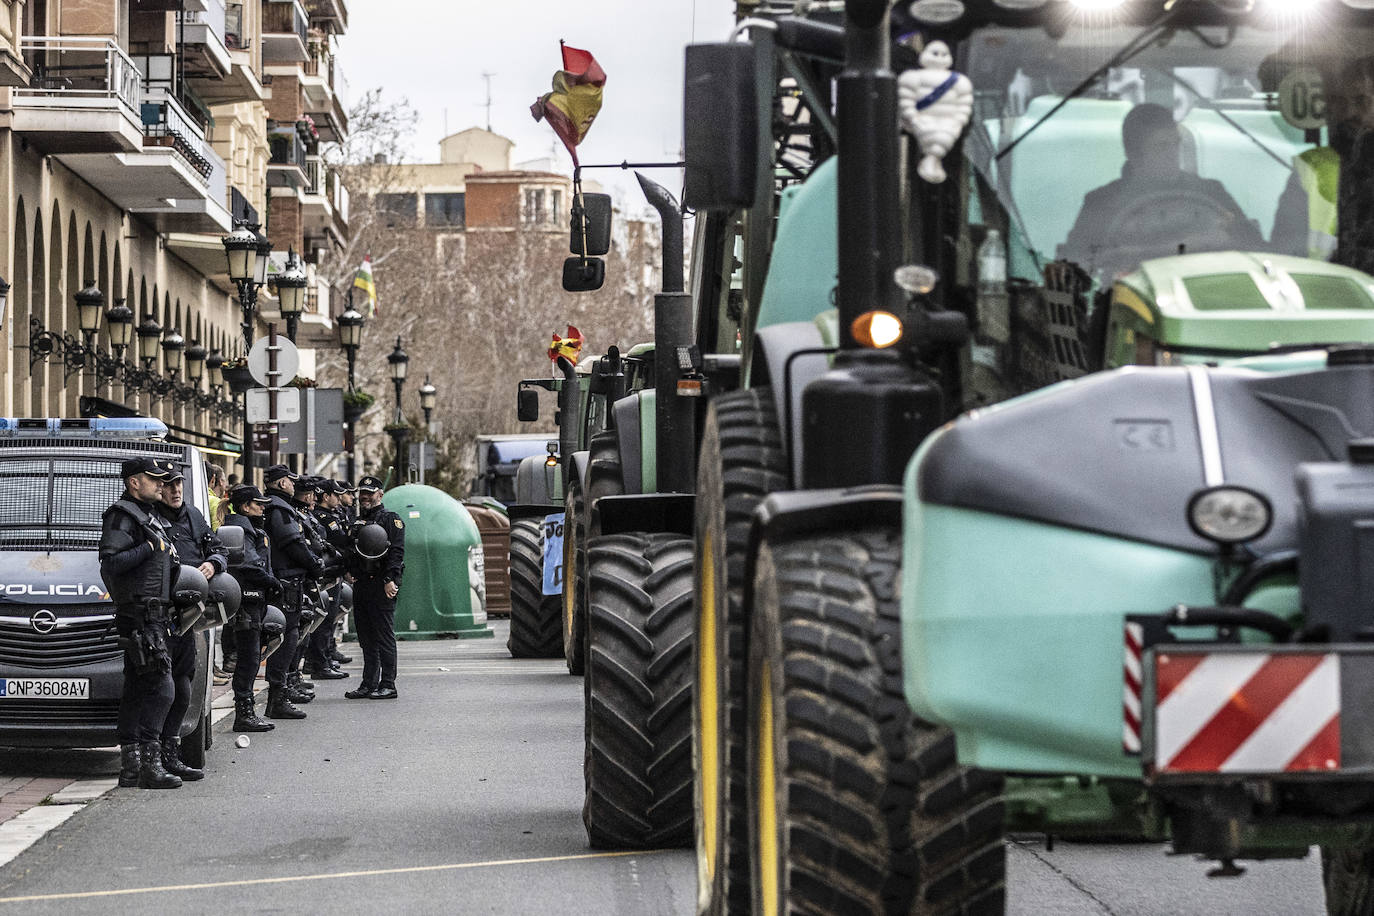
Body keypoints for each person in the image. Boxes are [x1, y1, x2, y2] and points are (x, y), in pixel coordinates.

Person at [1061, 102, 1262, 278]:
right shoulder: (1102, 203)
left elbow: (1257, 251)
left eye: (1175, 145)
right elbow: (1076, 267)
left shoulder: (1211, 192)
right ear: (1133, 153)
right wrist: (1197, 243)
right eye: (1161, 147)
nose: (1172, 154)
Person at [98, 457, 181, 789]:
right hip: (139, 616)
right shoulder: (123, 516)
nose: (161, 484)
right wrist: (148, 547)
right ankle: (150, 764)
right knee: (163, 689)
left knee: (135, 690)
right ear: (134, 482)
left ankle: (131, 768)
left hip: (155, 616)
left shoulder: (149, 516)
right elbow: (111, 563)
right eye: (154, 479)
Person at [153, 460, 227, 781]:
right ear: (158, 488)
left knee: (184, 686)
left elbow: (219, 547)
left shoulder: (193, 516)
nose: (176, 489)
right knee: (160, 687)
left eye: (179, 483)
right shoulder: (150, 518)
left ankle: (173, 751)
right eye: (168, 484)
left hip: (188, 618)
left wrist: (213, 563)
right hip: (159, 615)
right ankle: (152, 756)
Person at [261, 465, 323, 718]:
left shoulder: (276, 506)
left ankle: (281, 693)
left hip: (286, 581)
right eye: (289, 480)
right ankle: (278, 698)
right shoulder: (279, 508)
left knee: (289, 636)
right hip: (285, 582)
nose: (293, 485)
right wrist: (314, 563)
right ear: (281, 483)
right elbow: (292, 542)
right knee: (286, 638)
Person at [221, 485, 278, 733]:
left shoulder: (249, 528)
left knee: (252, 657)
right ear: (245, 506)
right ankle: (244, 713)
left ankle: (246, 712)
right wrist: (272, 583)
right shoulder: (241, 529)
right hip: (246, 602)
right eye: (259, 503)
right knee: (248, 659)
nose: (263, 507)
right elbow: (251, 565)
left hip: (253, 600)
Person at [344, 476, 405, 700]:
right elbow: (351, 549)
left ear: (380, 493)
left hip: (381, 584)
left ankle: (388, 684)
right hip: (362, 584)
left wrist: (391, 579)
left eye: (370, 492)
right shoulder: (357, 521)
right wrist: (349, 570)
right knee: (366, 637)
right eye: (362, 492)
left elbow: (396, 552)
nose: (365, 497)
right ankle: (369, 683)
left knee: (384, 637)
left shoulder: (391, 520)